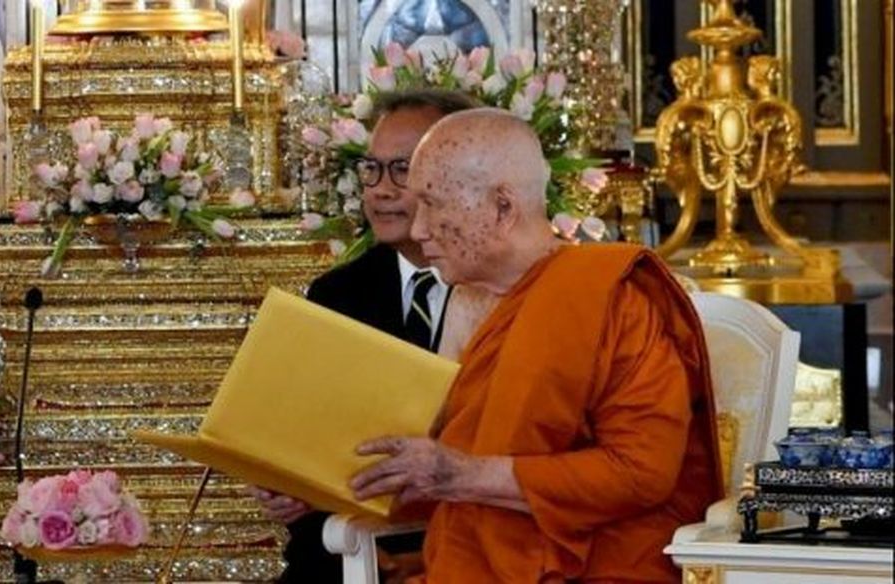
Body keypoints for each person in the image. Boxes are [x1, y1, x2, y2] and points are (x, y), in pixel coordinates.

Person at [349, 109, 722, 581]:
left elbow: (641, 473)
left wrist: (463, 475)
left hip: (597, 567)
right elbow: (441, 464)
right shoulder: (467, 301)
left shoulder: (611, 298)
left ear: (503, 208)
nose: (419, 230)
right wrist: (317, 484)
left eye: (433, 204)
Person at [252, 88, 478, 583]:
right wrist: (285, 484)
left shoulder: (497, 288)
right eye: (371, 170)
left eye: (402, 169)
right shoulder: (338, 293)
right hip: (344, 550)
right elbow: (303, 438)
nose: (380, 189)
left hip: (470, 547)